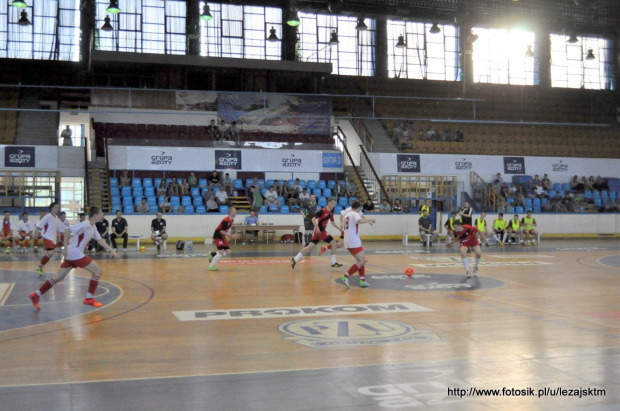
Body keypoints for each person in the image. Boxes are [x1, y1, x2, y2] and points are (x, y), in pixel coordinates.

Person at [29, 206, 120, 310]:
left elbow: (99, 240)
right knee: (97, 271)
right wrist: (65, 248)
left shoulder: (92, 226)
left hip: (72, 255)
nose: (102, 215)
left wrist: (111, 250)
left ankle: (36, 295)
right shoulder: (85, 224)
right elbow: (68, 231)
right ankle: (88, 298)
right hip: (75, 254)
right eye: (101, 213)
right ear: (95, 215)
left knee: (58, 277)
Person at [291, 197, 342, 269]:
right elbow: (313, 219)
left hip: (318, 232)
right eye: (333, 203)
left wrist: (339, 228)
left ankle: (295, 259)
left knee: (309, 247)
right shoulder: (322, 211)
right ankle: (333, 262)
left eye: (335, 204)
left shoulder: (331, 211)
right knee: (333, 243)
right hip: (321, 231)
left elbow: (332, 222)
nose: (334, 205)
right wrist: (317, 227)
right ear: (329, 203)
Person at [338, 201, 376, 289]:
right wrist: (370, 219)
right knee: (362, 261)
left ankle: (362, 280)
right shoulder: (355, 214)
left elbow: (351, 226)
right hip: (353, 241)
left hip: (348, 240)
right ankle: (345, 276)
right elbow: (360, 221)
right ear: (358, 208)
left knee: (360, 261)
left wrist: (358, 236)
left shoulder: (347, 214)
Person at [34, 202, 61, 276]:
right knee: (51, 252)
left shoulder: (56, 217)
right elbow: (38, 226)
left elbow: (56, 228)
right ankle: (39, 267)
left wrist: (58, 236)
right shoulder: (47, 216)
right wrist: (35, 234)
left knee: (50, 254)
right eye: (56, 207)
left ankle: (40, 267)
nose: (57, 209)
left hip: (53, 239)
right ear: (52, 208)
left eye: (58, 207)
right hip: (47, 237)